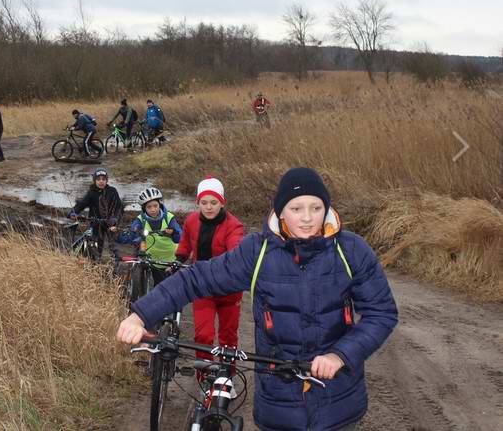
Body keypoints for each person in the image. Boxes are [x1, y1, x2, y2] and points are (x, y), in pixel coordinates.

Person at [117, 168, 399, 431]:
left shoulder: (351, 250)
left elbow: (381, 312)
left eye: (316, 207)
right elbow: (196, 278)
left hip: (339, 402)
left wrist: (341, 355)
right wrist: (140, 315)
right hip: (278, 404)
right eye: (296, 208)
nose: (307, 217)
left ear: (326, 208)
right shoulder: (258, 251)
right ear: (280, 211)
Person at [174, 177, 245, 363]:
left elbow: (236, 250)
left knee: (228, 338)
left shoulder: (234, 226)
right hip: (202, 287)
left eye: (214, 202)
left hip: (229, 290)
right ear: (198, 203)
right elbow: (185, 242)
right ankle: (204, 376)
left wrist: (233, 268)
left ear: (222, 202)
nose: (209, 207)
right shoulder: (191, 221)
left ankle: (226, 378)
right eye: (204, 203)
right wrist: (180, 258)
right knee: (203, 336)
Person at [120, 187, 182, 286]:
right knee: (157, 287)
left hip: (170, 260)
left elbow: (180, 237)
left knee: (172, 288)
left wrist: (173, 232)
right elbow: (131, 236)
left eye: (155, 206)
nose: (153, 209)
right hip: (153, 261)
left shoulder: (169, 218)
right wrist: (127, 233)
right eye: (149, 207)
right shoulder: (141, 220)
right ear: (144, 208)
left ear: (160, 205)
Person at [68, 168, 123, 261]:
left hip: (111, 223)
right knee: (96, 248)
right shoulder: (91, 193)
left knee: (114, 247)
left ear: (107, 180)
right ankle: (94, 265)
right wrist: (73, 213)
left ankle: (115, 265)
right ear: (94, 180)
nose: (101, 181)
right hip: (96, 223)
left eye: (103, 179)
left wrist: (114, 218)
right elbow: (81, 204)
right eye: (98, 179)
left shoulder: (112, 191)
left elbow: (119, 207)